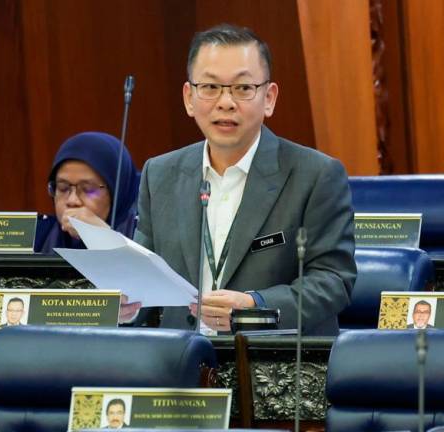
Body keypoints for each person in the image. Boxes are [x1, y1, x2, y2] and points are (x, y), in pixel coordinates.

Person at [133, 24, 356, 336]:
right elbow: (143, 280)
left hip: (269, 367)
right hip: (178, 364)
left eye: (242, 88)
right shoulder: (160, 174)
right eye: (210, 87)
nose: (225, 102)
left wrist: (255, 305)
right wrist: (126, 305)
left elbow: (333, 281)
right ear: (189, 97)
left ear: (269, 98)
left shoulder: (316, 176)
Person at [35, 132, 140, 253]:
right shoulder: (40, 236)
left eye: (88, 190)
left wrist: (104, 237)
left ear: (117, 191)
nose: (72, 201)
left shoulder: (146, 233)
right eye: (63, 188)